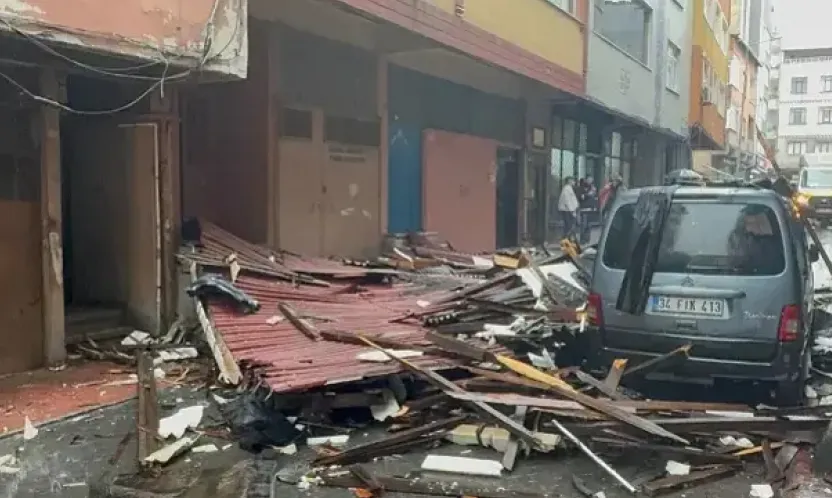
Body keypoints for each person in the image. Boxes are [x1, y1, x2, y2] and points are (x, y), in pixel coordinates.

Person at [578, 176, 597, 244]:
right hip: (584, 209)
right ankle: (582, 240)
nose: (590, 181)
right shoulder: (582, 187)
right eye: (589, 180)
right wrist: (588, 195)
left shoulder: (592, 188)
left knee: (589, 225)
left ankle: (587, 239)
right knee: (584, 225)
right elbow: (581, 197)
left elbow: (594, 197)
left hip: (591, 209)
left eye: (591, 180)